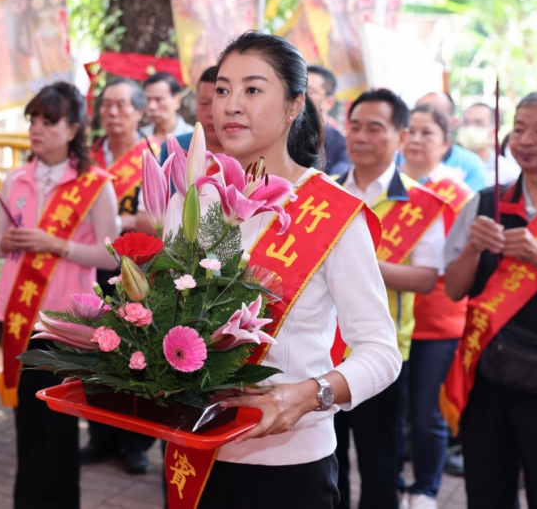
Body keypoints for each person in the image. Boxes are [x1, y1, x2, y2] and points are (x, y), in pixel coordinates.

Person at [164, 31, 401, 509]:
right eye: (223, 90)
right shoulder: (192, 200)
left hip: (289, 464)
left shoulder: (335, 215)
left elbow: (381, 351)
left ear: (294, 106)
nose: (231, 105)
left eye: (252, 90)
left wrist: (310, 395)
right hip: (191, 448)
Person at [442, 90, 537, 509]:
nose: (526, 139)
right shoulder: (485, 202)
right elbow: (453, 289)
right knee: (486, 493)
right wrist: (473, 250)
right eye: (519, 129)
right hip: (489, 380)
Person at [0, 82, 119, 509]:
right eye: (32, 120)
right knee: (26, 421)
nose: (36, 129)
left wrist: (55, 244)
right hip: (18, 315)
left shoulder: (95, 183)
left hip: (64, 324)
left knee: (58, 424)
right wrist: (13, 242)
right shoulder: (17, 178)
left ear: (73, 129)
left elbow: (108, 252)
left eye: (48, 121)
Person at [333, 89, 447, 509]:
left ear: (401, 137)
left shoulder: (421, 203)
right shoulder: (326, 193)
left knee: (380, 457)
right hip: (323, 347)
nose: (361, 137)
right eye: (355, 126)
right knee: (330, 455)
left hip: (379, 351)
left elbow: (425, 278)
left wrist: (354, 263)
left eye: (374, 128)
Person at [396, 105, 474, 509]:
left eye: (428, 133)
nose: (417, 140)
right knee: (392, 410)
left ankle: (426, 487)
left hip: (436, 320)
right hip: (392, 320)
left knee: (426, 411)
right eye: (410, 131)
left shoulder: (457, 196)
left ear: (446, 144)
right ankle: (391, 479)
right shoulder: (391, 186)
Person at [82, 78, 157, 473]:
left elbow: (156, 217)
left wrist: (114, 219)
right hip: (92, 263)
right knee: (96, 347)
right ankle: (100, 437)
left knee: (134, 352)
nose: (111, 113)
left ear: (139, 112)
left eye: (121, 106)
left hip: (135, 267)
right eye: (106, 106)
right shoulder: (89, 155)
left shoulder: (152, 156)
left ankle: (136, 443)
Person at [416, 92, 486, 193]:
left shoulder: (472, 166)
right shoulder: (394, 163)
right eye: (420, 111)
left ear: (453, 123)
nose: (425, 119)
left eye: (436, 116)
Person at [159, 66, 222, 162]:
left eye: (218, 105)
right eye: (204, 103)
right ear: (195, 103)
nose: (211, 113)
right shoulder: (172, 148)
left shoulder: (247, 150)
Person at [459, 102, 520, 186]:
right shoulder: (445, 167)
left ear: (493, 131)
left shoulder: (509, 172)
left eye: (478, 123)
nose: (470, 128)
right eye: (466, 122)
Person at [307, 65, 350, 175]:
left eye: (310, 91)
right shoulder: (281, 136)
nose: (301, 96)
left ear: (329, 102)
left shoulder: (343, 148)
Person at [140, 72, 193, 140]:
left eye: (159, 99)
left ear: (177, 101)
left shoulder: (193, 137)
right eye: (148, 99)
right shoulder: (139, 137)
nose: (151, 106)